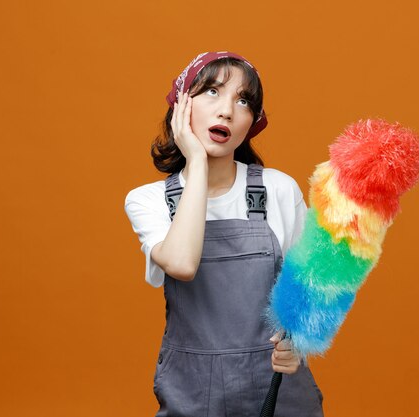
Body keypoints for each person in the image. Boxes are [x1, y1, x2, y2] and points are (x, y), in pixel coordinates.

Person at [124, 51, 324, 416]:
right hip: (194, 394)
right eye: (212, 92)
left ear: (252, 121)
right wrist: (197, 161)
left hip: (279, 393)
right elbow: (182, 263)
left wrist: (299, 345)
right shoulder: (148, 201)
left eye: (243, 100)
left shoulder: (280, 190)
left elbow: (309, 287)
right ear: (181, 105)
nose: (227, 111)